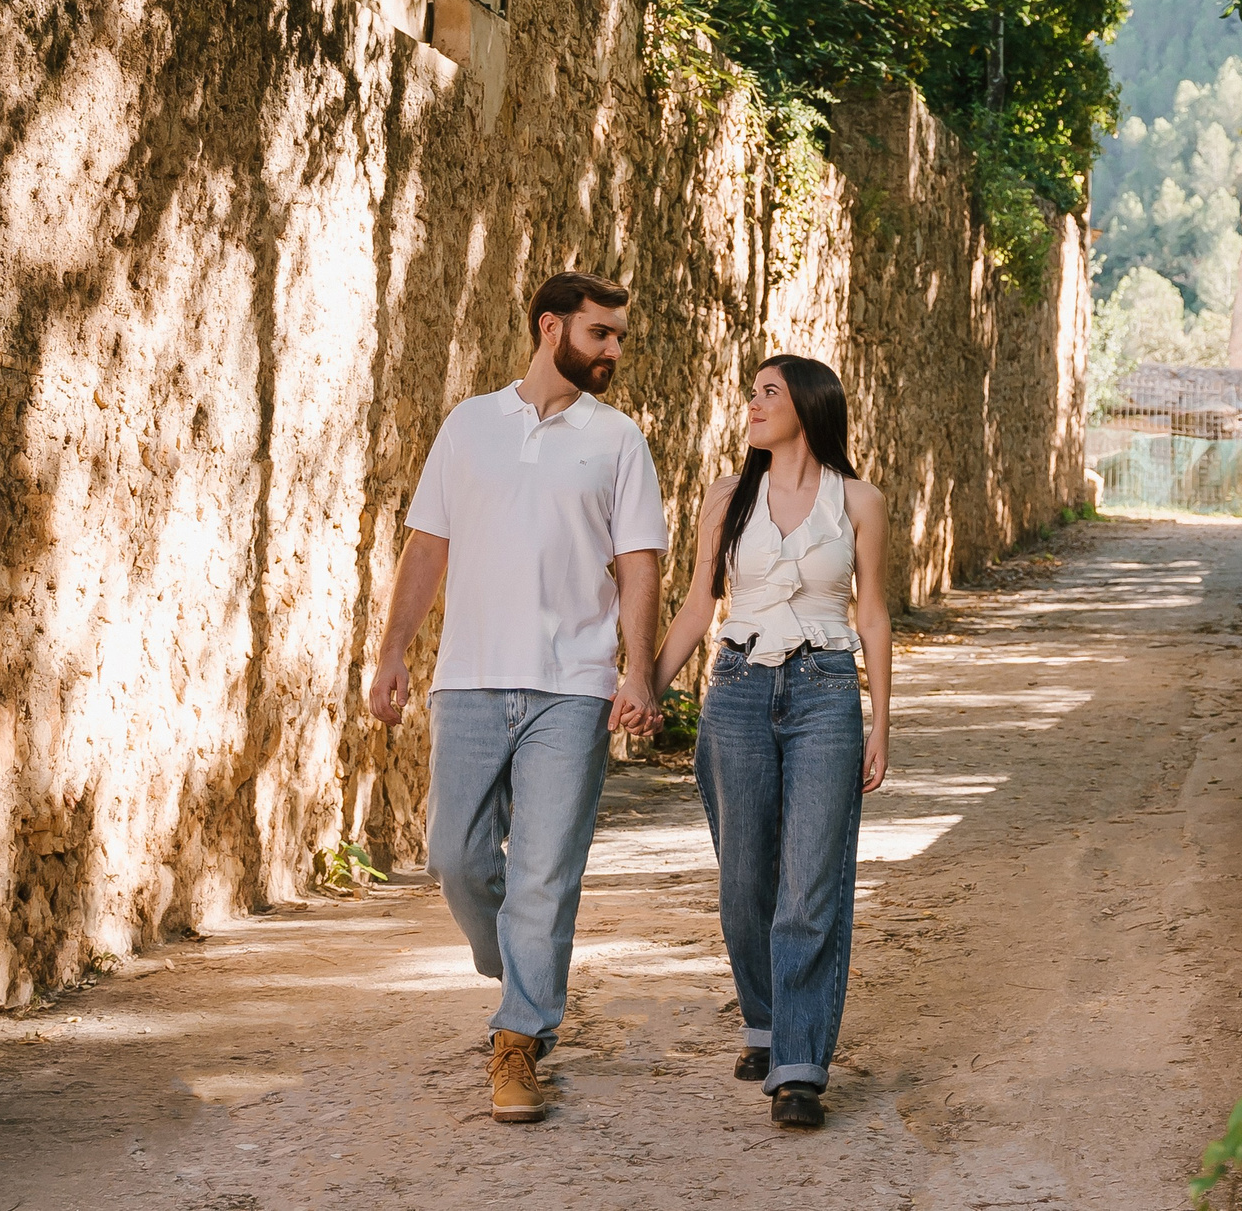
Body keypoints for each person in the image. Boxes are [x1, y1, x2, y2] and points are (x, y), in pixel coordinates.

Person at [367, 271, 669, 1124]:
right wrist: (391, 654)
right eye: (600, 333)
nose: (614, 350)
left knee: (543, 870)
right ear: (550, 328)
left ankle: (516, 1039)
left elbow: (638, 562)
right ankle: (525, 969)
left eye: (619, 337)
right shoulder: (468, 426)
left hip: (572, 686)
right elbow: (428, 545)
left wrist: (635, 673)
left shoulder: (618, 440)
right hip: (466, 677)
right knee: (455, 860)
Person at [653, 354, 891, 1132]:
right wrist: (646, 685)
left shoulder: (859, 501)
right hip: (739, 691)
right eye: (751, 392)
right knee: (745, 885)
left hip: (825, 691)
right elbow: (697, 604)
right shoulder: (727, 497)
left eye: (768, 392)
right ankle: (766, 1020)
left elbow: (874, 617)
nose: (751, 404)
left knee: (809, 886)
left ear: (809, 406)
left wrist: (881, 720)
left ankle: (799, 1065)